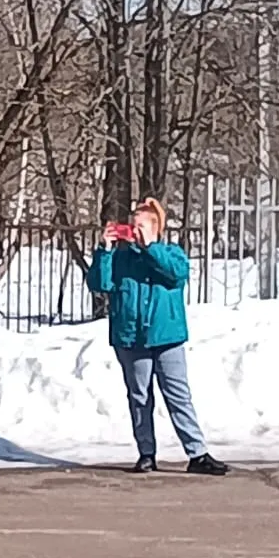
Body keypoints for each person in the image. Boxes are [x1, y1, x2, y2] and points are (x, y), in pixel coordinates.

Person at [87, 197, 228, 476]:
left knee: (178, 395)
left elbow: (177, 275)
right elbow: (99, 284)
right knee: (139, 397)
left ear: (155, 228)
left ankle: (197, 453)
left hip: (167, 337)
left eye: (140, 226)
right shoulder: (120, 258)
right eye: (132, 225)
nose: (134, 231)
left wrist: (150, 247)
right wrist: (105, 250)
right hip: (131, 338)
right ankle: (146, 453)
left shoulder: (171, 253)